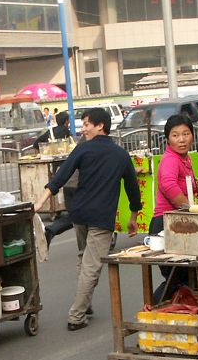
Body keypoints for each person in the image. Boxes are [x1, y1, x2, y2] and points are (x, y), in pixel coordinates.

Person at [34, 108, 142, 331]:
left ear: (100, 125)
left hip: (79, 213)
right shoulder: (120, 155)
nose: (82, 130)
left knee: (84, 258)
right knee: (92, 266)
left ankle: (86, 303)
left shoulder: (82, 149)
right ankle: (77, 314)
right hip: (101, 217)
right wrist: (133, 217)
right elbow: (133, 190)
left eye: (86, 125)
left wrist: (40, 202)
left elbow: (60, 177)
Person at [149, 115, 197, 302]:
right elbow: (168, 185)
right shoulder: (170, 159)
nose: (182, 139)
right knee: (178, 279)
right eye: (175, 135)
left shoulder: (185, 159)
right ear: (168, 139)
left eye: (186, 134)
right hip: (166, 226)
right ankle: (152, 310)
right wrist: (191, 209)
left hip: (179, 224)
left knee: (187, 278)